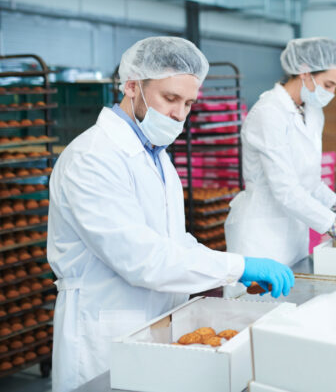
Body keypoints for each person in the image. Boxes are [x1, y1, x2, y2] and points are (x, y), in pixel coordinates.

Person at [47, 37, 294, 392]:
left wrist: (232, 271)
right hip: (102, 329)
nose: (180, 114)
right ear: (132, 86)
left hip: (153, 320)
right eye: (170, 98)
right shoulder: (92, 158)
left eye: (189, 102)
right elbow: (141, 258)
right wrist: (236, 266)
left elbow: (173, 242)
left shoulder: (156, 155)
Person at [225, 37, 336, 266]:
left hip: (293, 232)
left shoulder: (312, 112)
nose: (333, 93)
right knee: (259, 300)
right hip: (261, 234)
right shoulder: (268, 113)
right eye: (328, 85)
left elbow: (312, 183)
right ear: (304, 71)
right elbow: (286, 190)